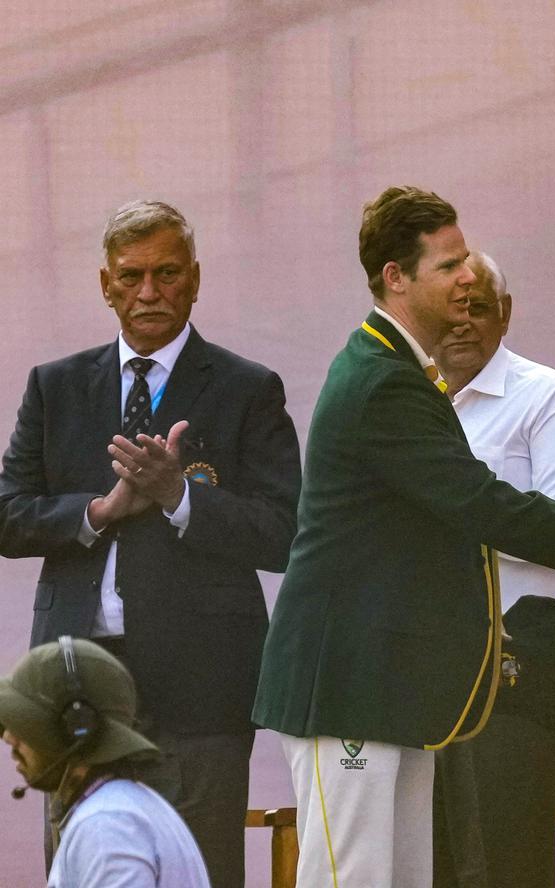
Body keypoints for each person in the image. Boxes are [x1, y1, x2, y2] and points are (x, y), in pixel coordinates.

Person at [251, 185, 555, 888]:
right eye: (449, 265)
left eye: (466, 258)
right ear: (396, 278)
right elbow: (483, 504)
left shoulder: (401, 370)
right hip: (347, 682)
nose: (469, 276)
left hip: (392, 686)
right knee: (354, 879)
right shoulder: (383, 381)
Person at [0, 200, 302, 887]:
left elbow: (286, 532)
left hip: (199, 682)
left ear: (194, 279)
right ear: (105, 285)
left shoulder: (246, 388)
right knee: (87, 866)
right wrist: (101, 510)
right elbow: (7, 515)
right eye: (131, 276)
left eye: (167, 273)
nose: (148, 292)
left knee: (200, 865)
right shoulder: (57, 387)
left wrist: (181, 499)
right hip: (76, 678)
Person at [429, 251, 555, 888]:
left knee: (505, 870)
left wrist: (439, 522)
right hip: (426, 681)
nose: (463, 322)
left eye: (479, 307)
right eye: (450, 308)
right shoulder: (411, 407)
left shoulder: (548, 396)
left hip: (515, 678)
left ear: (505, 314)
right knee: (434, 871)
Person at [1, 637, 209, 887]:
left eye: (25, 722)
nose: (9, 736)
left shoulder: (107, 825)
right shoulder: (115, 810)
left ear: (76, 730)